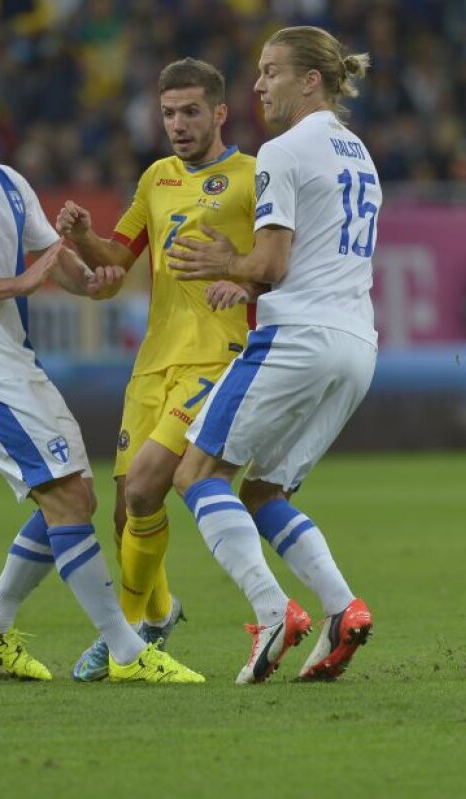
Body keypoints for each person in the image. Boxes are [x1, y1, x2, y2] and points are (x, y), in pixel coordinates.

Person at [0, 49, 202, 684]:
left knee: (75, 495)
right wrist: (17, 283)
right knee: (66, 496)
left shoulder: (9, 182)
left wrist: (95, 279)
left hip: (14, 362)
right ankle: (125, 650)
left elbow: (57, 262)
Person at [166, 26, 378, 684]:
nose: (258, 85)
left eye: (270, 72)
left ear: (309, 79)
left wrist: (228, 263)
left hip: (298, 337)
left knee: (196, 473)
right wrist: (249, 275)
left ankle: (271, 610)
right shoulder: (361, 154)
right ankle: (343, 610)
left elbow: (275, 262)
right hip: (357, 345)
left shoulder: (282, 151)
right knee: (265, 489)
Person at [55, 58, 258, 682]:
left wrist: (242, 280)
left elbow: (283, 263)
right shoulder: (156, 179)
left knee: (147, 486)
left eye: (191, 111)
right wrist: (86, 239)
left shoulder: (254, 178)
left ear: (219, 112)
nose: (178, 124)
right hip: (153, 362)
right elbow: (118, 258)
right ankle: (160, 612)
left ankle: (125, 638)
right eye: (168, 113)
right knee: (123, 512)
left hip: (217, 356)